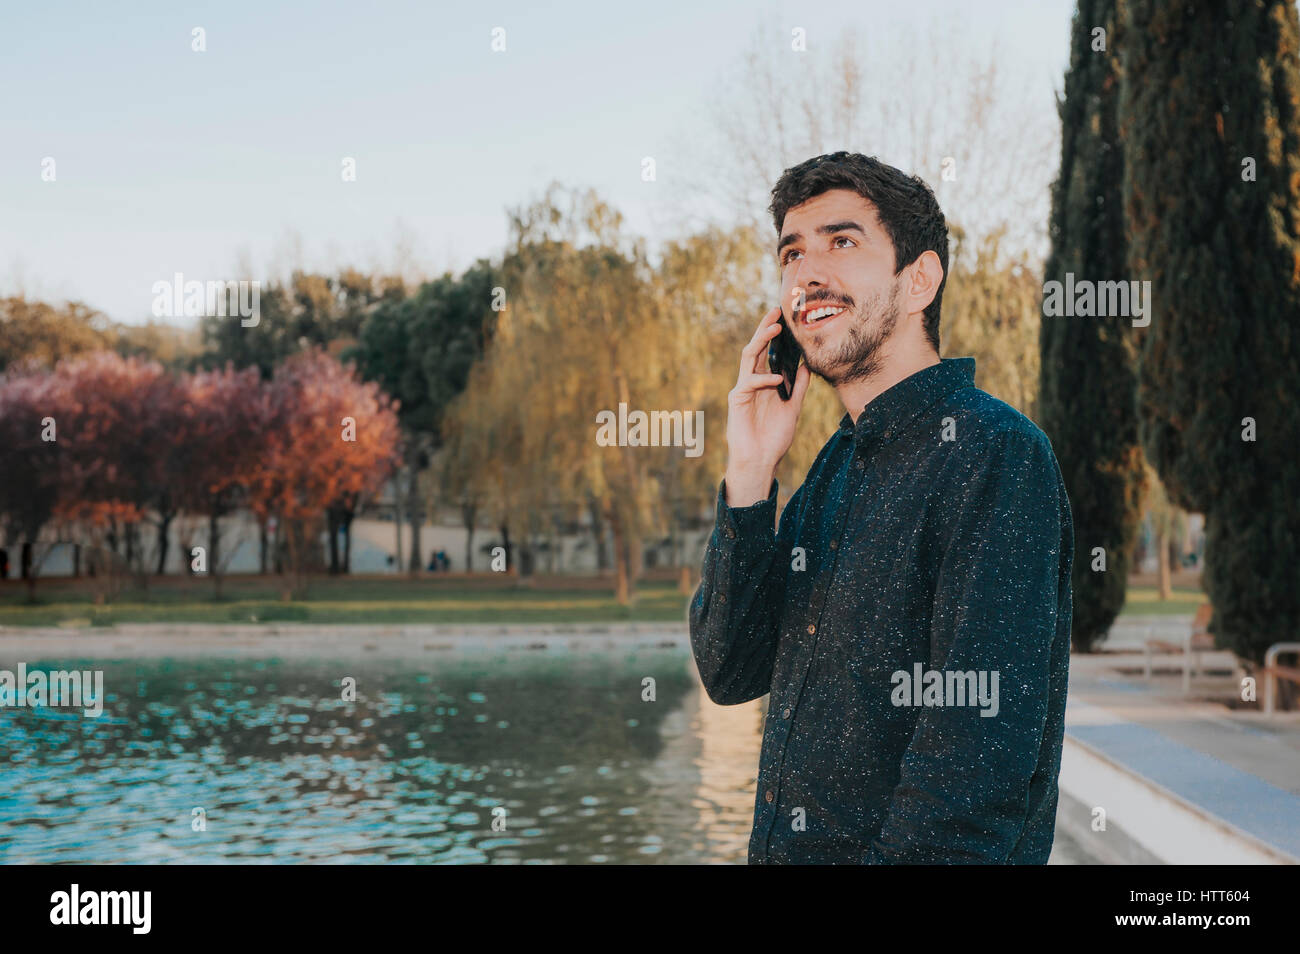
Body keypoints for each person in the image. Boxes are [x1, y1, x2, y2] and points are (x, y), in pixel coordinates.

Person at [689, 152, 1073, 865]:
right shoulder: (836, 467)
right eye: (792, 253)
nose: (807, 274)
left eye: (842, 242)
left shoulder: (995, 455)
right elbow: (729, 670)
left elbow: (971, 777)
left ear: (919, 279)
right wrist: (749, 475)